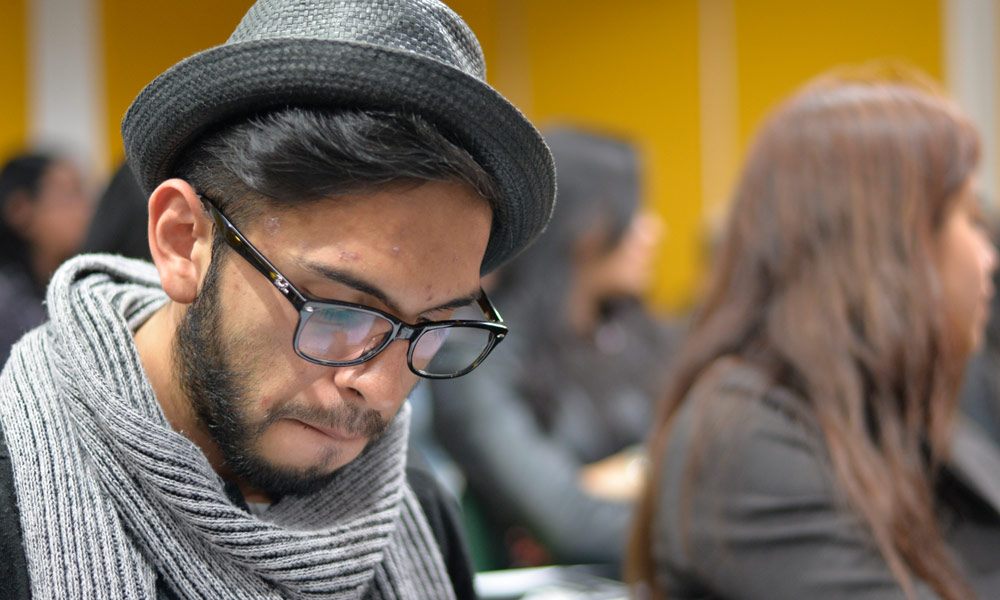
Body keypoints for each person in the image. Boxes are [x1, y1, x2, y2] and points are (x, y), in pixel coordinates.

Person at [0, 0, 556, 598]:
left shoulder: (413, 505)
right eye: (339, 311)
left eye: (434, 326)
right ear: (183, 241)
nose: (382, 390)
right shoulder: (14, 507)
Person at [627, 72, 1000, 599]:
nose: (989, 256)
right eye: (971, 219)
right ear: (888, 247)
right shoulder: (746, 441)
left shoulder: (881, 403)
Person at [431, 128, 678, 570]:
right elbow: (569, 524)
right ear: (585, 227)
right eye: (632, 211)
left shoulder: (633, 332)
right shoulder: (476, 353)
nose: (652, 230)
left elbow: (697, 461)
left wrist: (629, 474)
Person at [0, 152, 93, 365]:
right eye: (68, 197)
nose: (86, 210)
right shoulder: (6, 302)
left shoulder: (83, 286)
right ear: (20, 210)